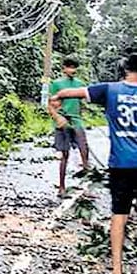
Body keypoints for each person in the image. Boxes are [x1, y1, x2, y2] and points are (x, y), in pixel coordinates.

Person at [49, 54, 137, 274]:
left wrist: (57, 97)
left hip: (120, 164)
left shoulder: (109, 90)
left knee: (119, 215)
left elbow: (75, 93)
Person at [49, 56, 91, 196]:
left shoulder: (80, 83)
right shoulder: (56, 84)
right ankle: (61, 187)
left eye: (74, 67)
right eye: (70, 67)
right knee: (64, 155)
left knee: (84, 150)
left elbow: (83, 102)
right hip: (62, 122)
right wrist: (57, 117)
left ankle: (87, 187)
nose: (72, 70)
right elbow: (50, 104)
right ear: (64, 68)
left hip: (76, 120)